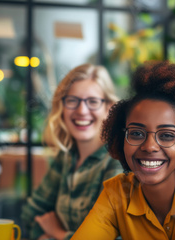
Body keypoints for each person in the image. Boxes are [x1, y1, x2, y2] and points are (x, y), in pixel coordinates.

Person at [71, 61, 175, 239]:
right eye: (136, 133)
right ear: (122, 139)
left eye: (167, 135)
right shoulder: (117, 192)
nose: (150, 146)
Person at [21, 64, 123, 240]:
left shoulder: (118, 162)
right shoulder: (67, 157)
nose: (82, 111)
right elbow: (31, 215)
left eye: (92, 101)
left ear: (109, 108)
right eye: (72, 100)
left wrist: (58, 234)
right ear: (62, 107)